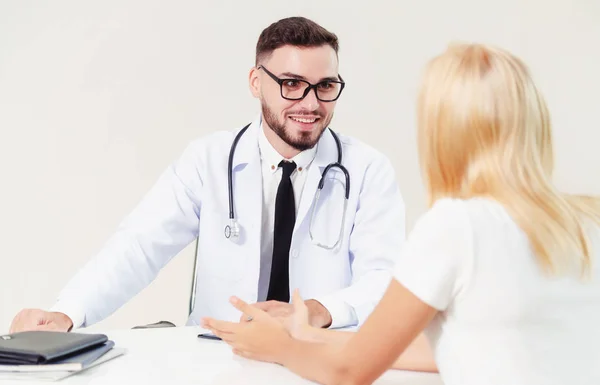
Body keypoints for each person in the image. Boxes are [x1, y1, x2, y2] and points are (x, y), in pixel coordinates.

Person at [201, 42, 600, 385]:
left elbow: (350, 373)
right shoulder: (587, 218)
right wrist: (309, 335)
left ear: (442, 132)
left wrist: (278, 347)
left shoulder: (457, 226)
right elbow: (436, 348)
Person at [9, 15, 413, 347]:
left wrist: (317, 311)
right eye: (291, 84)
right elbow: (139, 245)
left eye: (325, 86)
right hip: (219, 355)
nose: (310, 104)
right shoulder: (209, 160)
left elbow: (385, 280)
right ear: (257, 82)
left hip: (322, 353)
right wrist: (68, 311)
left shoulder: (366, 170)